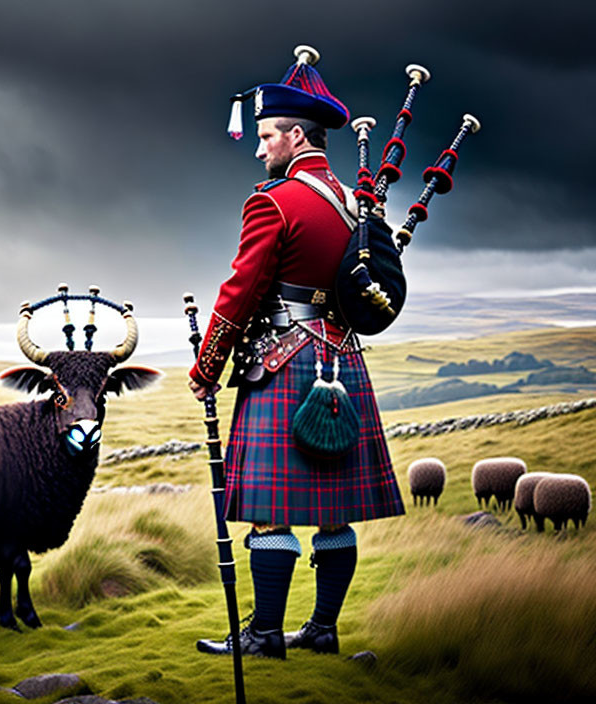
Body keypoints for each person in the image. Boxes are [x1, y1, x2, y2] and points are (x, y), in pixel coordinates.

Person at [188, 46, 405, 660]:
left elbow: (240, 292)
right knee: (334, 514)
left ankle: (263, 636)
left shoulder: (273, 201)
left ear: (295, 135)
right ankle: (323, 628)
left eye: (266, 136)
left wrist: (207, 368)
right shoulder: (357, 204)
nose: (259, 150)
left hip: (284, 363)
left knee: (270, 513)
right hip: (343, 358)